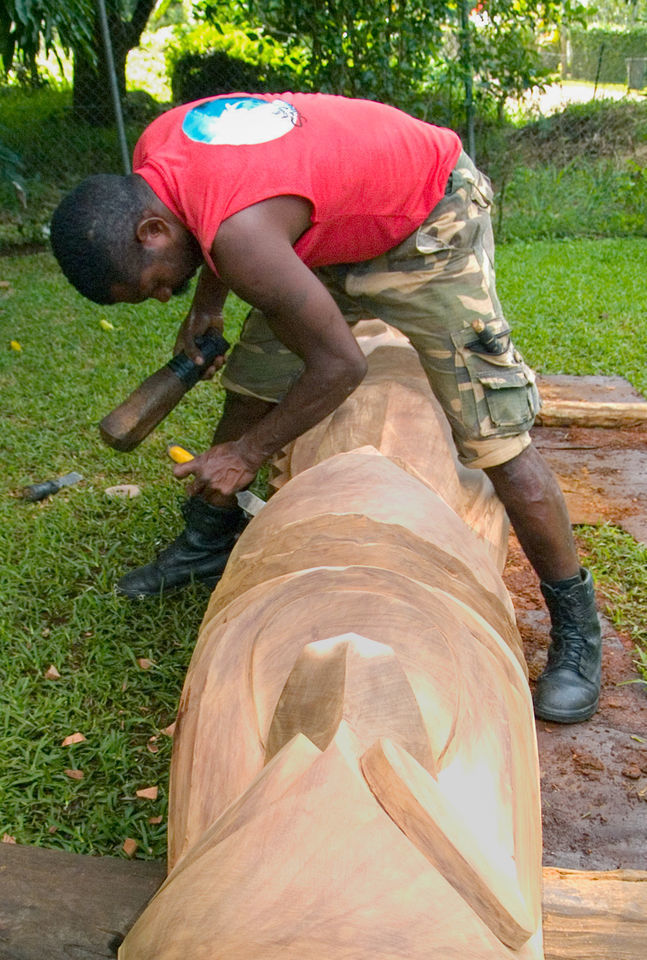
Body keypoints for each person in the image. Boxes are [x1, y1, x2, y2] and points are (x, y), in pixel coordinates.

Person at [50, 91, 601, 724]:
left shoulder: (243, 243)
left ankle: (577, 632)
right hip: (326, 233)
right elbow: (215, 211)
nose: (163, 297)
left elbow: (342, 366)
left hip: (426, 221)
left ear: (151, 231)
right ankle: (209, 539)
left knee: (496, 438)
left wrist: (249, 453)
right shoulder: (161, 160)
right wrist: (206, 303)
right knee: (252, 385)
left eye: (156, 286)